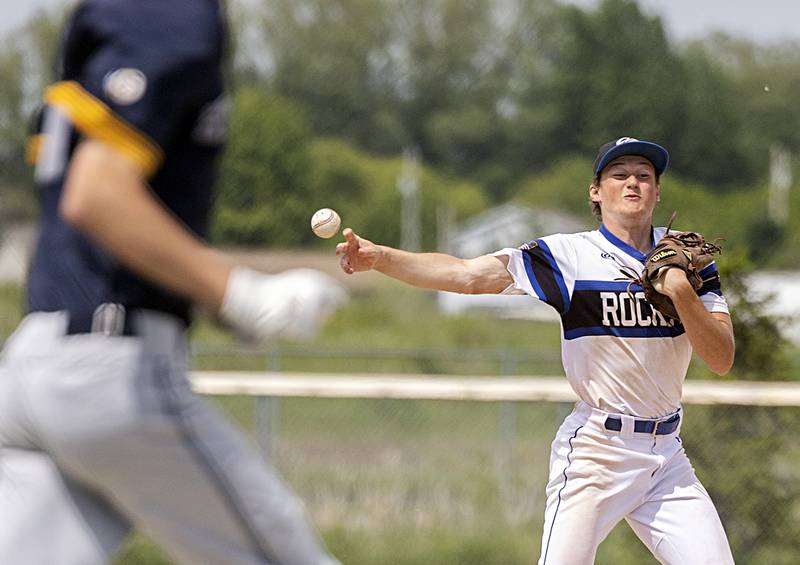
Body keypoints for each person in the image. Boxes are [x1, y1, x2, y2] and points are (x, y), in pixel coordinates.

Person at [0, 1, 340, 564]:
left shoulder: (111, 14)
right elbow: (97, 195)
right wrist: (239, 292)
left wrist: (212, 298)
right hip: (107, 375)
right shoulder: (170, 11)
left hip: (31, 366)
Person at [336, 136, 736, 564]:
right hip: (598, 453)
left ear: (658, 191)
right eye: (618, 175)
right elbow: (468, 275)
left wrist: (681, 293)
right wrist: (381, 258)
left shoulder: (688, 263)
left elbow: (721, 358)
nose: (632, 182)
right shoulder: (569, 257)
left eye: (644, 175)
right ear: (596, 192)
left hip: (666, 456)